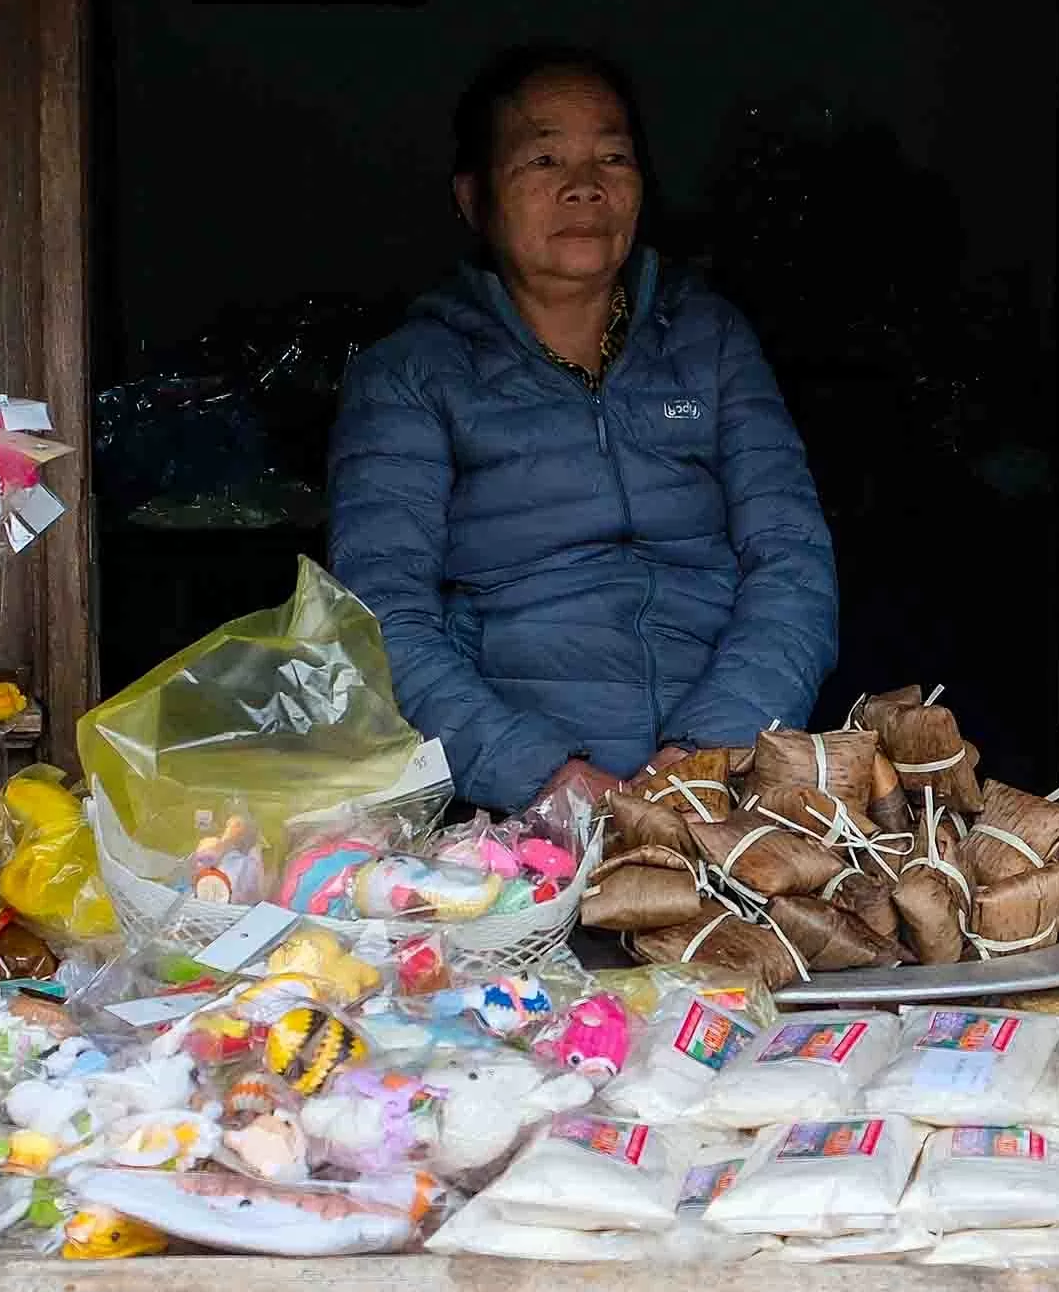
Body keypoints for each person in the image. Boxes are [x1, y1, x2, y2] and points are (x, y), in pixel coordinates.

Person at [329, 43, 837, 812]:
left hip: (728, 784)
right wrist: (544, 779)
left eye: (613, 157)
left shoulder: (709, 342)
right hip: (506, 807)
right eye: (542, 161)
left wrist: (707, 755)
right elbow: (379, 615)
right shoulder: (412, 374)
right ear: (473, 198)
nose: (584, 187)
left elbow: (793, 561)